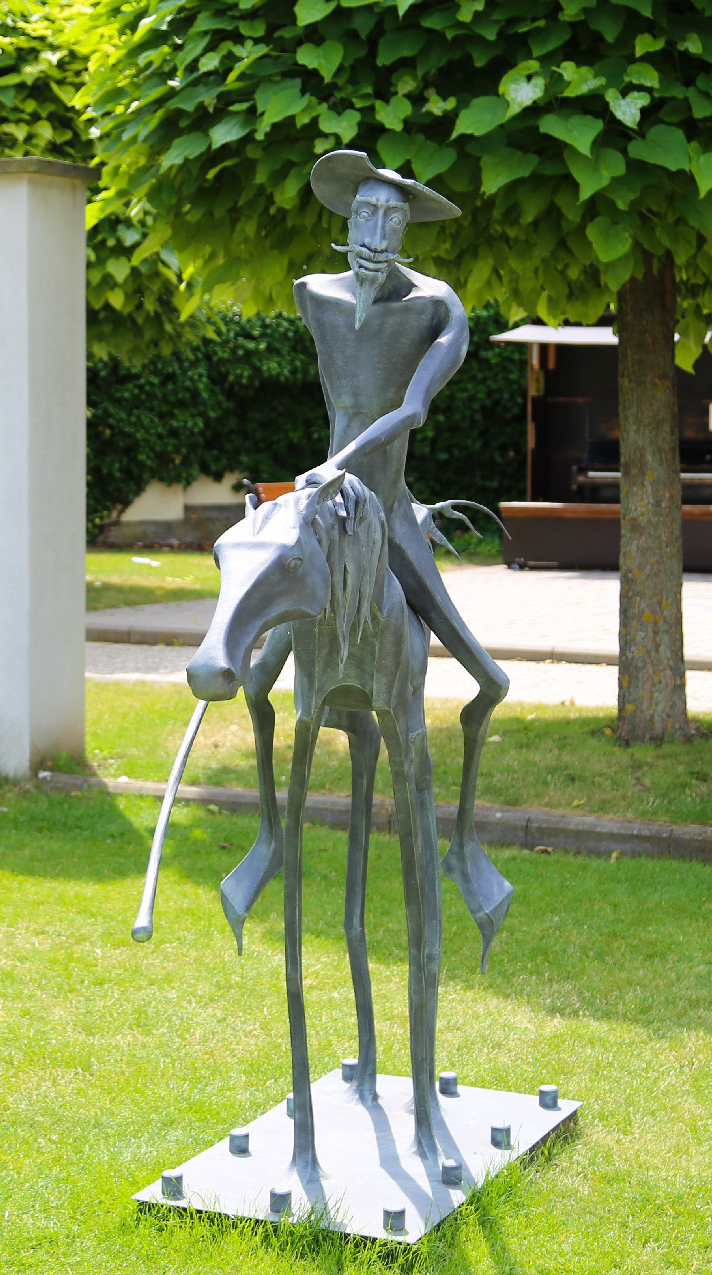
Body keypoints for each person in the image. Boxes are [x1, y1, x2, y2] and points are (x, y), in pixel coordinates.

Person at [229, 150, 515, 959]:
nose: (374, 233)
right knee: (257, 678)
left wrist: (339, 467)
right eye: (363, 214)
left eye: (391, 218)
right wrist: (320, 487)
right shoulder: (312, 296)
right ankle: (268, 837)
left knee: (491, 679)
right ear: (344, 219)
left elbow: (413, 409)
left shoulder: (438, 309)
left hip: (385, 511)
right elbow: (335, 401)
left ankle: (463, 845)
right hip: (326, 511)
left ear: (409, 227)